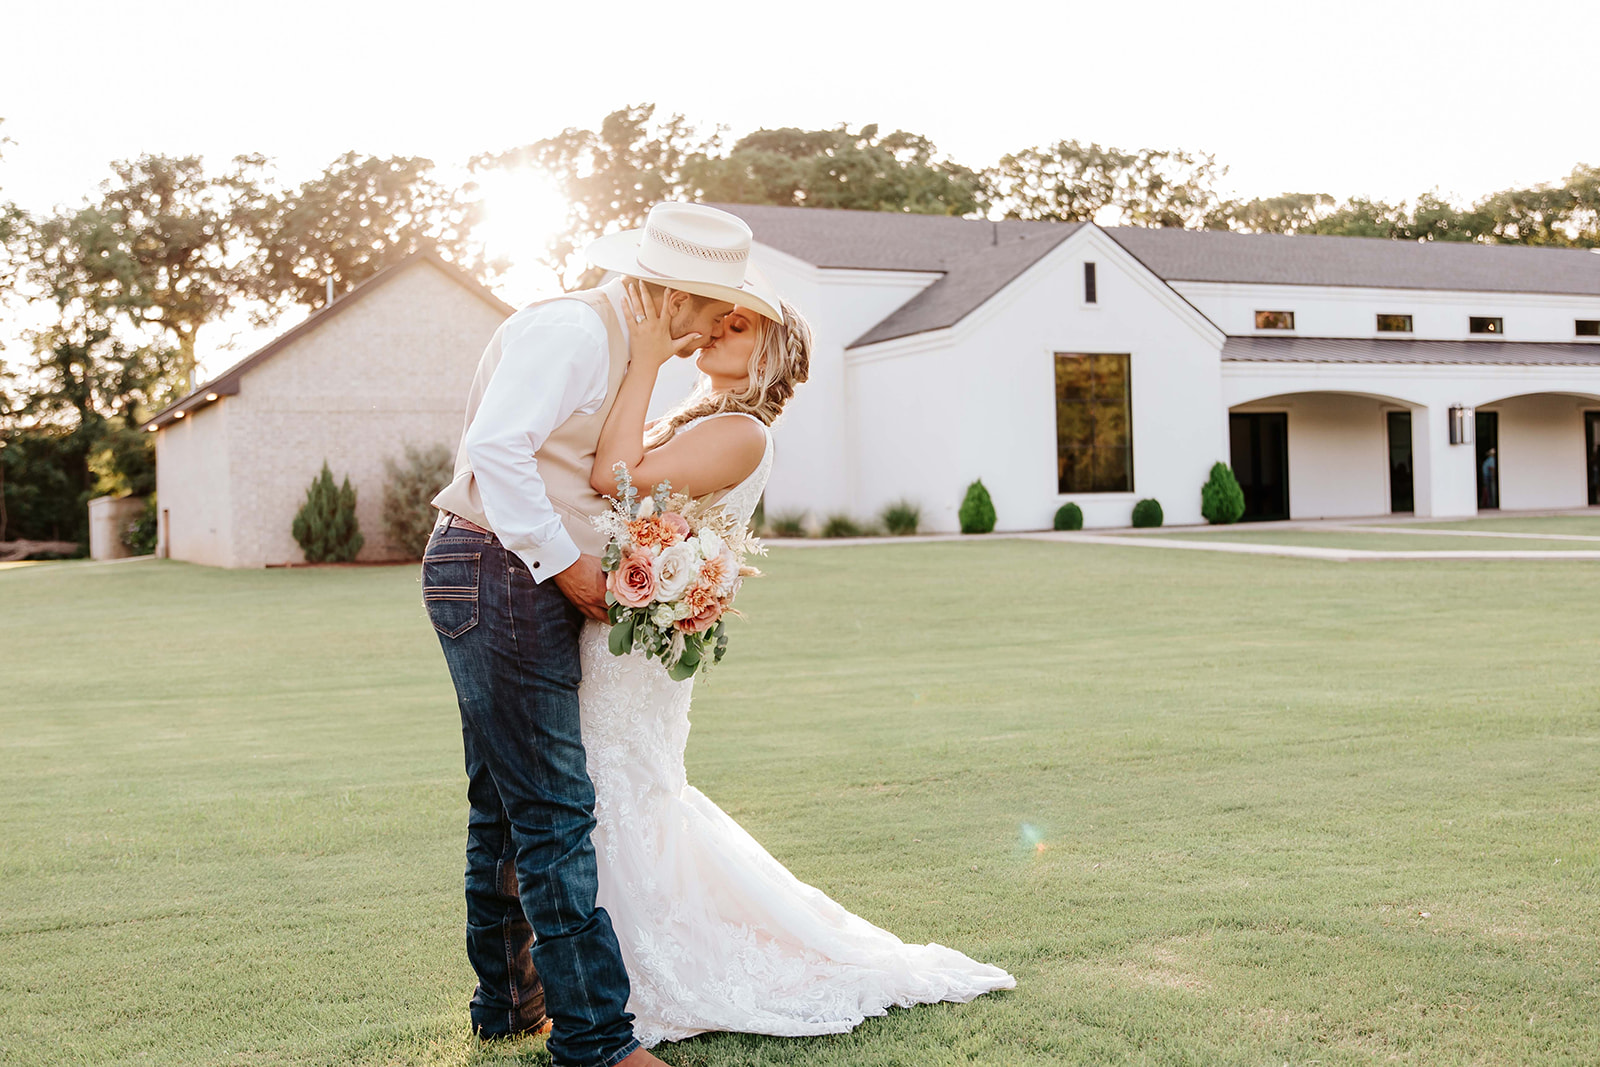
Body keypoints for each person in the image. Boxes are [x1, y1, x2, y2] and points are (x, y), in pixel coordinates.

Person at [570, 280, 1015, 1048]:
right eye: (718, 318)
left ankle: (632, 970)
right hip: (629, 630)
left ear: (770, 350)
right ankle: (594, 962)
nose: (714, 330)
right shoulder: (701, 418)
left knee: (622, 786)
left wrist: (645, 354)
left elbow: (613, 473)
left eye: (734, 324)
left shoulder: (742, 430)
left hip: (637, 648)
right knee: (618, 785)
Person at [422, 202, 778, 1067]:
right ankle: (596, 1042)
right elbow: (497, 449)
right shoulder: (574, 332)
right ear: (673, 292)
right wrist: (564, 563)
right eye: (710, 311)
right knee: (553, 807)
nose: (709, 334)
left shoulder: (627, 346)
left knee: (506, 807)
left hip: (505, 572)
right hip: (497, 569)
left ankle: (508, 1002)